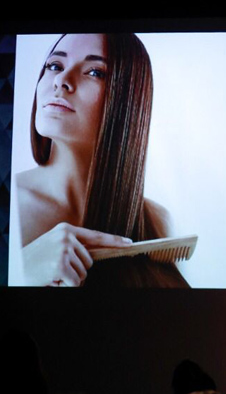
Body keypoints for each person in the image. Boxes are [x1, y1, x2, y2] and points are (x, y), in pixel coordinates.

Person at [13, 33, 187, 287]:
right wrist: (19, 270)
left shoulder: (157, 222)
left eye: (94, 72)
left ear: (127, 100)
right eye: (55, 66)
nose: (61, 80)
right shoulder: (11, 208)